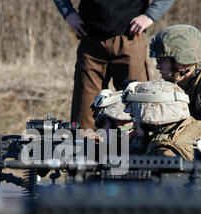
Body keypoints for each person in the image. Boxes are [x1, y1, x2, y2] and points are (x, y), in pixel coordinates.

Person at [53, 0, 176, 130]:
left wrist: (150, 15)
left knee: (139, 109)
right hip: (90, 40)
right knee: (84, 118)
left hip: (130, 38)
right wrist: (69, 13)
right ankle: (89, 148)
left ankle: (136, 148)